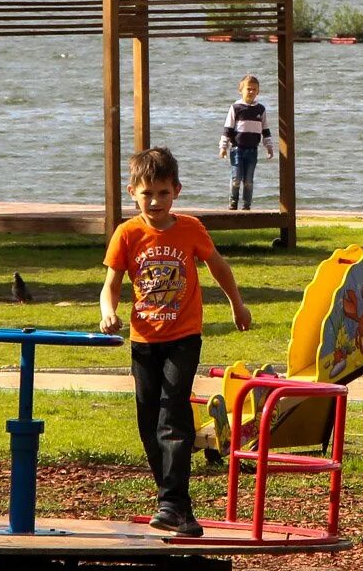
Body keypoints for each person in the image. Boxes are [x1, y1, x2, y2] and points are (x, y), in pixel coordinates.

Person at [99, 146, 251, 537]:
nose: (155, 201)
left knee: (172, 416)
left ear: (177, 191)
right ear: (132, 191)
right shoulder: (127, 234)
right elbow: (110, 286)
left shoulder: (190, 229)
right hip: (143, 339)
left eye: (163, 193)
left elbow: (218, 265)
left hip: (184, 337)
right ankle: (175, 505)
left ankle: (170, 503)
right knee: (148, 422)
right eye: (147, 193)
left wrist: (237, 304)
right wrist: (107, 313)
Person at [217, 74, 275, 211]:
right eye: (248, 89)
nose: (251, 92)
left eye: (254, 89)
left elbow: (265, 130)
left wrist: (269, 147)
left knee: (248, 181)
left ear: (258, 92)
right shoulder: (236, 108)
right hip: (237, 149)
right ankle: (233, 203)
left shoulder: (260, 109)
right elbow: (227, 129)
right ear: (241, 90)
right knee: (236, 178)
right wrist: (223, 147)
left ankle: (246, 206)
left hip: (252, 150)